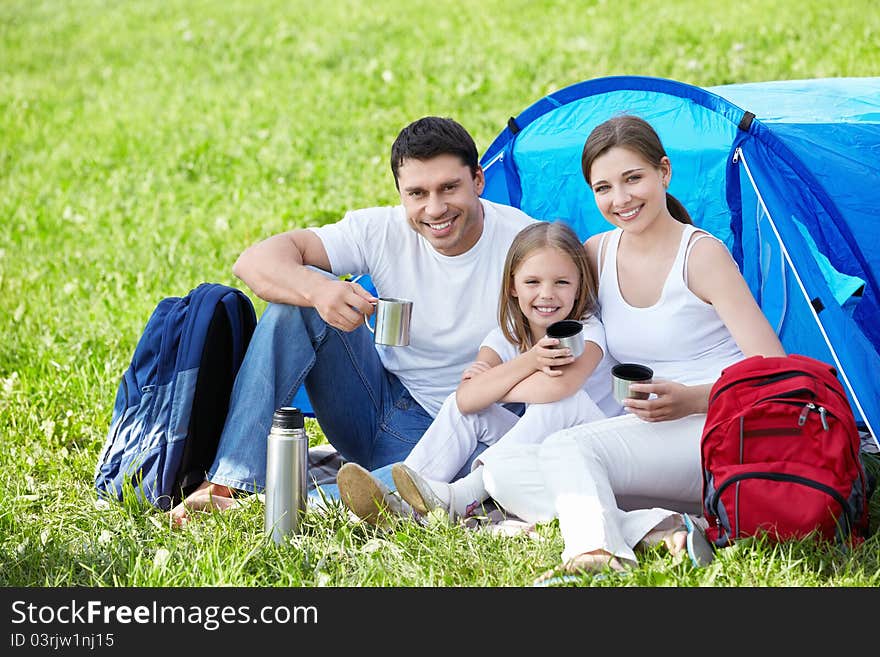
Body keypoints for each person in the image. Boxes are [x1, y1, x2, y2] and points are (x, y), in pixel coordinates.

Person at [396, 114, 786, 577]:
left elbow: (774, 376)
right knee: (506, 471)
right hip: (642, 430)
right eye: (603, 188)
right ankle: (658, 527)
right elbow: (549, 307)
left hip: (715, 427)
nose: (620, 199)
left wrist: (691, 400)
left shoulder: (701, 256)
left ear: (664, 172)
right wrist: (495, 361)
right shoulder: (599, 253)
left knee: (567, 449)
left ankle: (596, 552)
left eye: (633, 179)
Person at [169, 116, 536, 523]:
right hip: (378, 410)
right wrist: (320, 291)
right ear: (401, 195)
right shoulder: (382, 229)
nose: (435, 208)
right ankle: (230, 481)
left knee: (468, 478)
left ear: (478, 181)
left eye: (449, 187)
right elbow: (254, 261)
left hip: (468, 433)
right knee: (298, 300)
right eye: (417, 193)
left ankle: (267, 510)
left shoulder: (525, 243)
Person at [335, 221, 623, 525]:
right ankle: (399, 502)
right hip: (543, 449)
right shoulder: (507, 335)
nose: (547, 294)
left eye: (562, 282)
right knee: (466, 412)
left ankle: (457, 497)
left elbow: (559, 389)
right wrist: (528, 364)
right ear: (513, 285)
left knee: (563, 403)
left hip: (602, 451)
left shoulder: (587, 331)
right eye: (532, 282)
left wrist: (495, 384)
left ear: (579, 287)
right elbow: (466, 399)